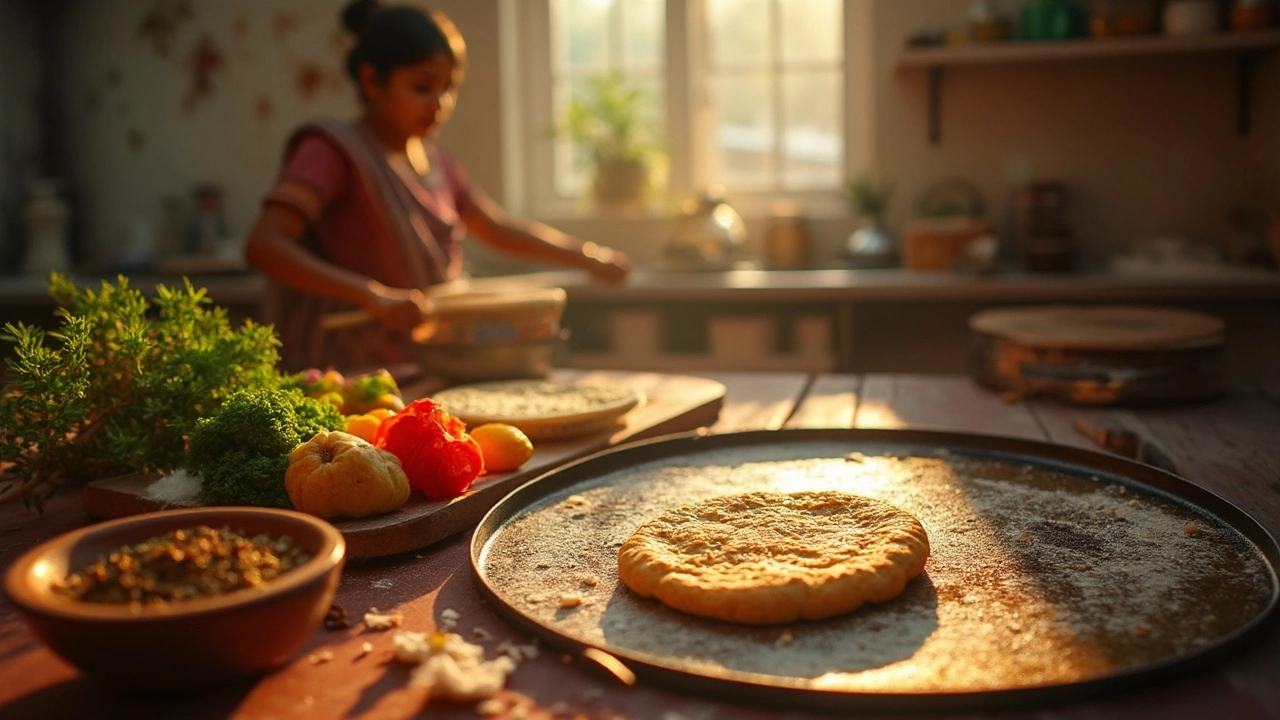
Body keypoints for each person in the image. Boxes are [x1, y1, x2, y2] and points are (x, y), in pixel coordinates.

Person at [244, 0, 630, 371]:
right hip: (347, 374)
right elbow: (265, 245)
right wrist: (371, 295)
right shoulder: (332, 151)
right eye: (422, 87)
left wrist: (586, 257)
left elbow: (493, 227)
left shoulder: (437, 163)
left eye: (449, 88)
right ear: (371, 80)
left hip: (427, 361)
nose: (439, 103)